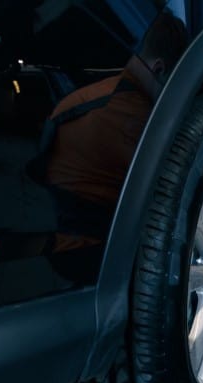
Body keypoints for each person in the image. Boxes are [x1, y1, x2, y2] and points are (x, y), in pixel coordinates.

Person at [38, 10, 187, 252]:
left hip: (59, 238)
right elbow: (171, 192)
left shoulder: (97, 95)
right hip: (88, 252)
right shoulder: (133, 116)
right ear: (158, 69)